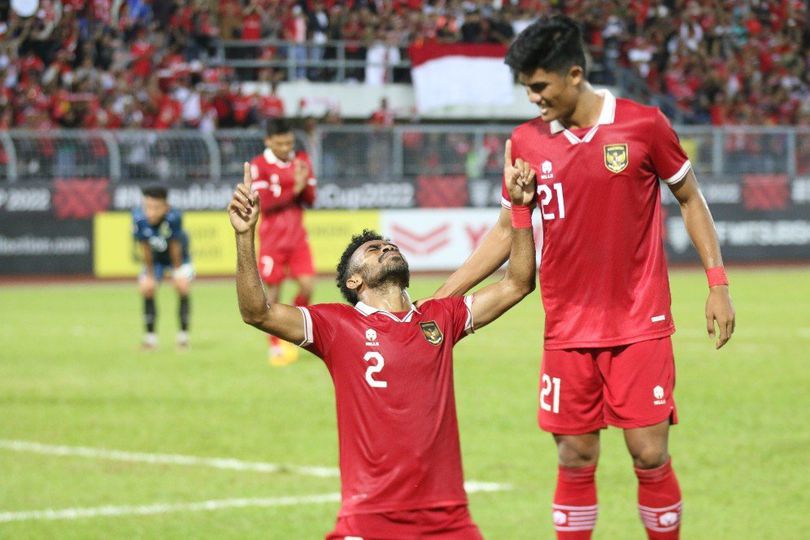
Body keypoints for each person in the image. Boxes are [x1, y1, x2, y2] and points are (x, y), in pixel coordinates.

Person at [433, 15, 736, 540]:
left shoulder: (643, 125)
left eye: (539, 86)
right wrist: (440, 298)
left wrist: (718, 284)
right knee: (574, 456)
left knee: (649, 453)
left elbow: (689, 196)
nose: (533, 99)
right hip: (567, 330)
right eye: (527, 88)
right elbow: (507, 229)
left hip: (640, 324)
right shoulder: (525, 143)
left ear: (574, 73)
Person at [228, 152, 537, 539]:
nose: (386, 248)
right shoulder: (336, 325)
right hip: (371, 516)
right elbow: (257, 312)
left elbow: (517, 284)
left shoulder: (441, 317)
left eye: (388, 245)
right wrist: (245, 236)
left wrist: (522, 212)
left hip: (448, 518)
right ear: (354, 282)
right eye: (373, 251)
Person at [249, 118, 317, 366]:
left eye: (289, 142)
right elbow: (264, 202)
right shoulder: (259, 165)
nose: (286, 147)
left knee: (308, 286)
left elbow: (311, 199)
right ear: (268, 141)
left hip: (298, 238)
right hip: (272, 240)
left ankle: (294, 327)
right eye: (280, 143)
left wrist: (303, 185)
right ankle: (275, 344)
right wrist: (295, 187)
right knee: (273, 296)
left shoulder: (301, 160)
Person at [132, 186, 193, 350]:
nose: (150, 212)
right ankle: (150, 339)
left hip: (178, 258)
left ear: (166, 207)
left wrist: (178, 272)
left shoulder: (174, 217)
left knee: (182, 286)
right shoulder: (138, 217)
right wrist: (150, 275)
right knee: (147, 287)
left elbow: (175, 247)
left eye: (155, 208)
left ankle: (183, 337)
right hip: (155, 259)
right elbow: (145, 248)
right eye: (147, 207)